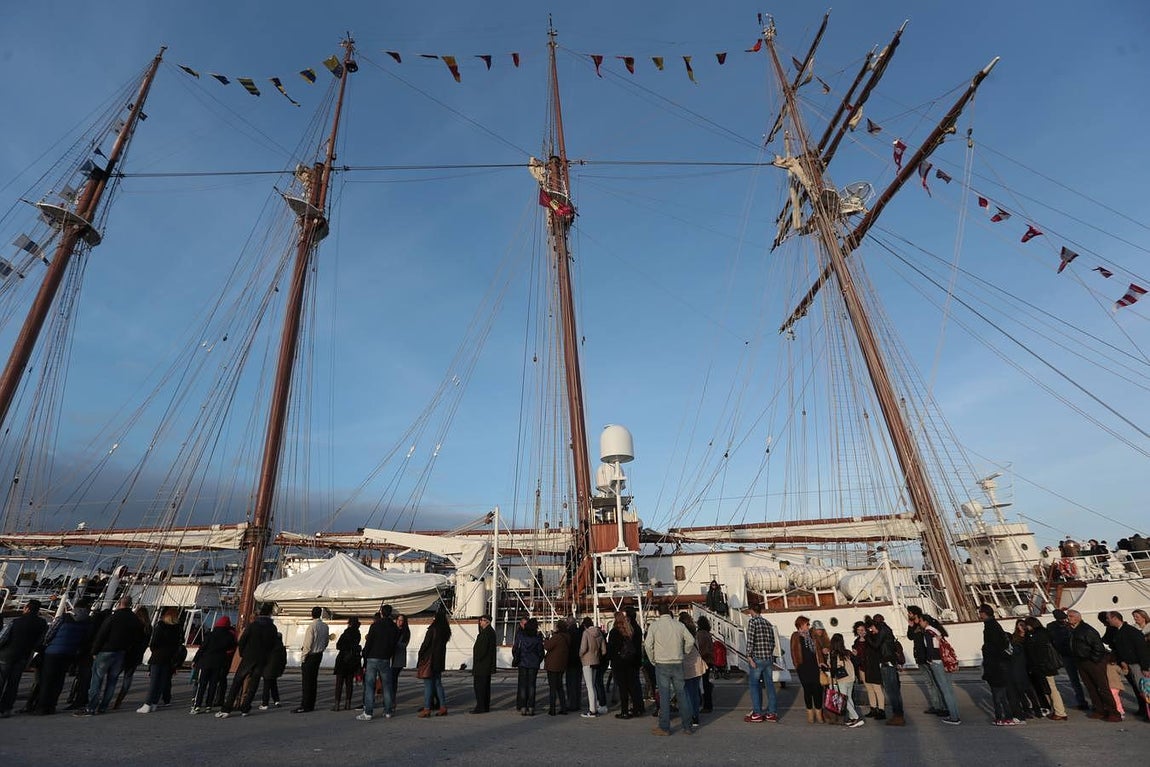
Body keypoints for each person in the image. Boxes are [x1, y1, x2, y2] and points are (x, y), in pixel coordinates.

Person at [77, 595, 146, 717]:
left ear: (120, 604)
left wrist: (94, 651)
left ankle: (91, 707)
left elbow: (102, 634)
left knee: (97, 679)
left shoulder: (113, 617)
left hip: (107, 650)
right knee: (112, 681)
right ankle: (103, 706)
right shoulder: (135, 620)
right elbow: (137, 638)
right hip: (121, 652)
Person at [218, 602, 279, 718]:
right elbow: (273, 644)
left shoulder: (253, 625)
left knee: (237, 681)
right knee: (253, 684)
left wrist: (242, 653)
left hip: (248, 656)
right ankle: (245, 708)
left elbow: (242, 641)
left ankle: (227, 708)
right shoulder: (272, 627)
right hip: (262, 658)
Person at [644, 602, 697, 736]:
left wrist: (652, 659)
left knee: (664, 695)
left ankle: (664, 727)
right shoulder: (679, 625)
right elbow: (690, 640)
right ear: (669, 611)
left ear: (658, 613)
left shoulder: (654, 626)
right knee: (682, 694)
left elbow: (647, 644)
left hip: (662, 663)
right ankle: (687, 726)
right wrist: (684, 651)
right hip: (677, 662)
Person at [907, 607, 961, 725]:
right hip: (943, 661)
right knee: (948, 689)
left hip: (936, 662)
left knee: (944, 689)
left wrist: (929, 659)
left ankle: (953, 716)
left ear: (924, 621)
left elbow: (931, 647)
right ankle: (954, 713)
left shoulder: (928, 632)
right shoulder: (936, 631)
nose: (919, 623)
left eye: (921, 621)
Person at [1066, 608, 1120, 721]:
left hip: (1093, 662)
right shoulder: (1073, 630)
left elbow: (1098, 647)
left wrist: (1093, 659)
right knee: (1090, 687)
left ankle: (1113, 712)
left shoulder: (1086, 630)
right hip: (1081, 662)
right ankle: (1099, 709)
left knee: (1102, 687)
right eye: (1068, 616)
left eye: (1070, 616)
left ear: (1077, 618)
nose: (1068, 618)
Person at [0, 599, 48, 718]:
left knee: (1, 680)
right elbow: (40, 642)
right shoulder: (42, 624)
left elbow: (3, 637)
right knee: (13, 683)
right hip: (23, 656)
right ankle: (6, 708)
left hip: (6, 654)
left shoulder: (16, 621)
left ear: (27, 608)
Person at [137, 607, 183, 713]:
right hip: (169, 656)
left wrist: (155, 651)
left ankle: (147, 703)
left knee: (154, 681)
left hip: (158, 655)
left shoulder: (161, 626)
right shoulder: (177, 628)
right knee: (162, 681)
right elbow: (178, 643)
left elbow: (154, 642)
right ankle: (154, 703)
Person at [1105, 610, 1150, 720]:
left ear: (1115, 618)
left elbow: (1142, 650)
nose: (1107, 621)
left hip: (1136, 664)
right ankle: (1143, 710)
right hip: (1128, 663)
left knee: (1143, 689)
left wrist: (1145, 667)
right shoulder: (1121, 631)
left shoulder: (1131, 631)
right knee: (1138, 688)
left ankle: (1147, 712)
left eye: (1108, 618)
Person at [1022, 616, 1067, 720]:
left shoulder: (1036, 635)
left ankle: (1060, 711)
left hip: (1044, 666)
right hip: (1047, 665)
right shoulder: (1044, 633)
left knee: (1051, 688)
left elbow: (1037, 652)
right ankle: (1058, 710)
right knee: (1050, 688)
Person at [358, 605, 398, 721]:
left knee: (370, 685)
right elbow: (394, 644)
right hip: (385, 658)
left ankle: (368, 712)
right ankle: (387, 711)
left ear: (381, 613)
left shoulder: (375, 625)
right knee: (387, 685)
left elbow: (370, 642)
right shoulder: (393, 627)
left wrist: (365, 654)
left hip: (373, 657)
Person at [978, 604, 1015, 725]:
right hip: (998, 663)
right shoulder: (994, 625)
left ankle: (1001, 717)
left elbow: (993, 645)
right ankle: (1005, 716)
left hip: (994, 664)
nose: (979, 615)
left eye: (980, 612)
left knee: (997, 694)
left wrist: (986, 651)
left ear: (984, 613)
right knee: (1001, 694)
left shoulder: (990, 627)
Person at [190, 615, 236, 714]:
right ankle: (208, 705)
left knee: (202, 684)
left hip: (205, 661)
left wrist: (195, 660)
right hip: (219, 662)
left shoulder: (210, 635)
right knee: (213, 684)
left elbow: (202, 648)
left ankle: (197, 705)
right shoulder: (229, 636)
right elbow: (232, 646)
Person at [743, 602, 778, 723]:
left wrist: (749, 656)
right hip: (768, 658)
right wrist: (769, 654)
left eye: (750, 611)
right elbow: (773, 642)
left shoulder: (753, 622)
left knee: (754, 685)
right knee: (770, 686)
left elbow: (750, 640)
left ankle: (757, 713)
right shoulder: (767, 623)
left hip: (757, 658)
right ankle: (772, 713)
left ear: (752, 611)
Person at [866, 614, 904, 725]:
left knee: (891, 691)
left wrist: (869, 636)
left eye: (872, 627)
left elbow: (876, 645)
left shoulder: (883, 631)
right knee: (894, 691)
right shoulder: (887, 630)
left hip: (887, 663)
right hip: (890, 662)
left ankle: (898, 715)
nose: (871, 630)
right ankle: (898, 714)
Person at [790, 616, 829, 724]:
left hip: (815, 666)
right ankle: (810, 714)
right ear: (800, 625)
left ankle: (819, 713)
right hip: (803, 667)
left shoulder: (813, 635)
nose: (808, 626)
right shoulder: (795, 636)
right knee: (807, 690)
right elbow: (793, 652)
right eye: (806, 624)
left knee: (817, 690)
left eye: (808, 624)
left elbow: (818, 650)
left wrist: (821, 661)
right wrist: (797, 665)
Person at [1047, 609, 1088, 710]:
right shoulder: (1068, 625)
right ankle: (1083, 701)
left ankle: (1082, 701)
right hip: (1073, 654)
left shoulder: (1051, 627)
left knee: (1075, 680)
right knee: (1083, 679)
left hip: (1068, 654)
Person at [112, 606, 151, 710]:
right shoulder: (148, 627)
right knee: (127, 678)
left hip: (126, 653)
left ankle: (108, 697)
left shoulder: (134, 624)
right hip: (137, 655)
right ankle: (119, 700)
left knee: (114, 676)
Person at [416, 606, 451, 717]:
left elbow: (426, 644)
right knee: (438, 684)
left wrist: (420, 655)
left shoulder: (433, 629)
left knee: (428, 685)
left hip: (430, 660)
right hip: (439, 660)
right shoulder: (446, 630)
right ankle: (443, 707)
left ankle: (427, 709)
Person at [294, 606, 329, 713]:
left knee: (307, 682)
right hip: (319, 654)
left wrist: (303, 657)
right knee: (313, 681)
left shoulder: (311, 627)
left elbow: (308, 644)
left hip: (311, 655)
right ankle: (311, 704)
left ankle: (305, 705)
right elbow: (326, 641)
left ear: (312, 614)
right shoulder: (325, 626)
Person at [607, 610, 640, 719]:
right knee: (631, 686)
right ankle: (636, 709)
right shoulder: (629, 630)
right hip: (630, 662)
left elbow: (611, 648)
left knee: (622, 687)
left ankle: (624, 711)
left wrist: (610, 658)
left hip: (618, 662)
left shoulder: (614, 632)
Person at [827, 633, 864, 727]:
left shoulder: (833, 653)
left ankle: (856, 718)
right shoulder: (847, 652)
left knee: (844, 700)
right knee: (849, 698)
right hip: (850, 678)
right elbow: (856, 663)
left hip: (842, 679)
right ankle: (852, 718)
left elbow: (833, 668)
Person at [1008, 620, 1041, 719]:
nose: (1022, 627)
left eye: (1023, 625)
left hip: (1026, 667)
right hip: (1022, 667)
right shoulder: (1016, 639)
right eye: (1020, 625)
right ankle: (1029, 709)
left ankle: (1035, 709)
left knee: (1028, 690)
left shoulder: (1028, 637)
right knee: (1024, 690)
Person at [678, 612, 706, 724]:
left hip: (687, 665)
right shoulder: (694, 632)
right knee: (695, 692)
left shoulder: (682, 634)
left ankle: (690, 716)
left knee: (687, 693)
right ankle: (696, 716)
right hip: (697, 663)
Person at [514, 617, 544, 716]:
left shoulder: (522, 636)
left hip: (523, 662)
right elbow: (541, 652)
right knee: (532, 685)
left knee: (523, 685)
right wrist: (538, 661)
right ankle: (531, 706)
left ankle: (523, 706)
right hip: (533, 663)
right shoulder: (537, 638)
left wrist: (517, 658)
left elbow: (517, 649)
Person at [331, 616, 361, 712]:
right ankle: (348, 703)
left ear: (349, 623)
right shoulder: (358, 634)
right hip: (352, 660)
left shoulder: (346, 632)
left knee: (339, 683)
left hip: (343, 659)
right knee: (349, 683)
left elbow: (338, 645)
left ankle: (337, 704)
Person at [578, 616, 606, 717]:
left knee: (589, 686)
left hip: (587, 661)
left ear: (585, 625)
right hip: (596, 660)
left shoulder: (585, 633)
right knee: (593, 685)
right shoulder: (599, 633)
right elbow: (604, 650)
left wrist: (580, 655)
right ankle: (595, 707)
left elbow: (583, 648)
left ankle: (592, 710)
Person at [855, 620, 883, 719]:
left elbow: (875, 649)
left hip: (872, 667)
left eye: (862, 629)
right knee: (869, 689)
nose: (860, 632)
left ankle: (881, 710)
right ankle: (873, 708)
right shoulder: (857, 641)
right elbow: (858, 654)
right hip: (862, 667)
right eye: (858, 630)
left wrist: (867, 637)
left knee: (877, 689)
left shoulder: (870, 638)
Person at [471, 614, 497, 714]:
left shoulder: (485, 633)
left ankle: (481, 706)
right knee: (485, 686)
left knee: (480, 687)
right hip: (486, 664)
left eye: (482, 620)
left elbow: (482, 650)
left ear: (486, 621)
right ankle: (484, 705)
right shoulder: (490, 632)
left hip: (482, 665)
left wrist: (477, 658)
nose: (480, 622)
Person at [543, 619, 569, 716]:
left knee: (552, 688)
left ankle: (552, 709)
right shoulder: (567, 637)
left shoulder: (557, 637)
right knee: (560, 687)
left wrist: (546, 640)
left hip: (553, 665)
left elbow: (547, 646)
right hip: (562, 664)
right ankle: (563, 707)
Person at [258, 631, 287, 710]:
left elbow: (264, 657)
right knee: (274, 685)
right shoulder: (282, 647)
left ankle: (265, 703)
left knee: (266, 686)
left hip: (267, 668)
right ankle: (276, 700)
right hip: (276, 669)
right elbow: (284, 660)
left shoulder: (269, 646)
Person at [695, 615, 715, 713]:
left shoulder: (700, 634)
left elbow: (701, 648)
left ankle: (705, 704)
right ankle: (707, 703)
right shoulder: (708, 634)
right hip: (709, 660)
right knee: (706, 682)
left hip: (703, 661)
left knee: (702, 683)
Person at [390, 613, 410, 708]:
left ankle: (392, 699)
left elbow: (404, 645)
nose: (399, 622)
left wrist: (394, 643)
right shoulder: (393, 629)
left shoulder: (405, 632)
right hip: (391, 657)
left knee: (393, 679)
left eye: (401, 620)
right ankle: (389, 699)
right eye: (398, 620)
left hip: (398, 659)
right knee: (390, 679)